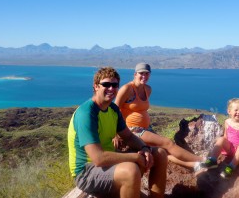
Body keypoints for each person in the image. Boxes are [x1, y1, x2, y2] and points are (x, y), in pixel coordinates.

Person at [68, 67, 167, 198]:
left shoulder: (113, 109)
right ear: (96, 86)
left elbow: (128, 136)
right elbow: (98, 158)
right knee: (131, 171)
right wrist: (136, 157)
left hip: (109, 162)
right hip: (86, 171)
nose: (111, 88)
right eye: (106, 84)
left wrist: (144, 148)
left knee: (159, 153)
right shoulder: (87, 113)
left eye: (114, 85)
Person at [114, 62, 204, 172]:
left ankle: (195, 165)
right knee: (168, 143)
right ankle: (203, 160)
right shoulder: (127, 89)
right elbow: (114, 110)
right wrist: (115, 134)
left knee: (161, 151)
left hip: (145, 128)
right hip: (132, 129)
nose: (144, 76)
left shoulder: (147, 89)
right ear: (135, 74)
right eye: (141, 73)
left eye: (147, 74)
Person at [200, 98, 239, 178]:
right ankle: (213, 160)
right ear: (229, 111)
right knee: (221, 139)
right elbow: (226, 136)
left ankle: (231, 167)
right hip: (229, 149)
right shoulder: (227, 122)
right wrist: (221, 144)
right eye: (236, 110)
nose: (238, 112)